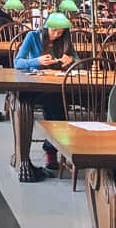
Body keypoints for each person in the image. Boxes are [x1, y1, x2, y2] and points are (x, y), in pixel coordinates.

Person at [15, 17, 78, 172]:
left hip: (58, 85)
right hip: (35, 86)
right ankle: (52, 150)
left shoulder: (64, 41)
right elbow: (18, 62)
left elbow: (78, 60)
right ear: (46, 28)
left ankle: (57, 148)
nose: (56, 34)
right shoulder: (33, 37)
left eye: (60, 32)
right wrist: (37, 61)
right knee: (56, 105)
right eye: (53, 30)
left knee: (58, 102)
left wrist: (71, 59)